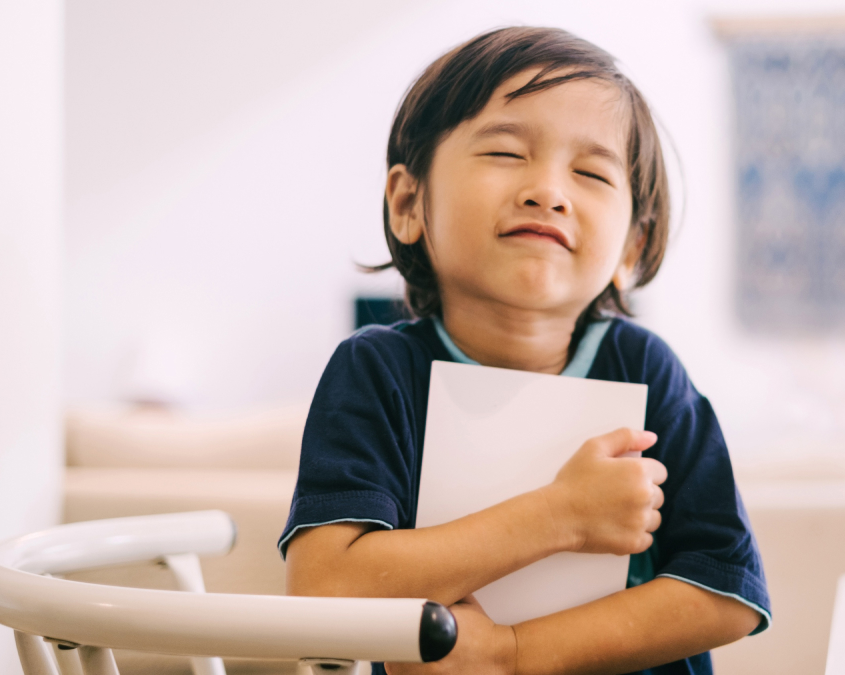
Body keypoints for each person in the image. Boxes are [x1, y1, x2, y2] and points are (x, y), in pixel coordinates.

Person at [278, 27, 769, 675]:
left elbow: (724, 592)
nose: (548, 190)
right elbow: (324, 590)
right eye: (507, 153)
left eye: (590, 171)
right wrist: (560, 514)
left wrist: (514, 653)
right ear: (408, 203)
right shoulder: (375, 372)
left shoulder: (648, 371)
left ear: (631, 249)